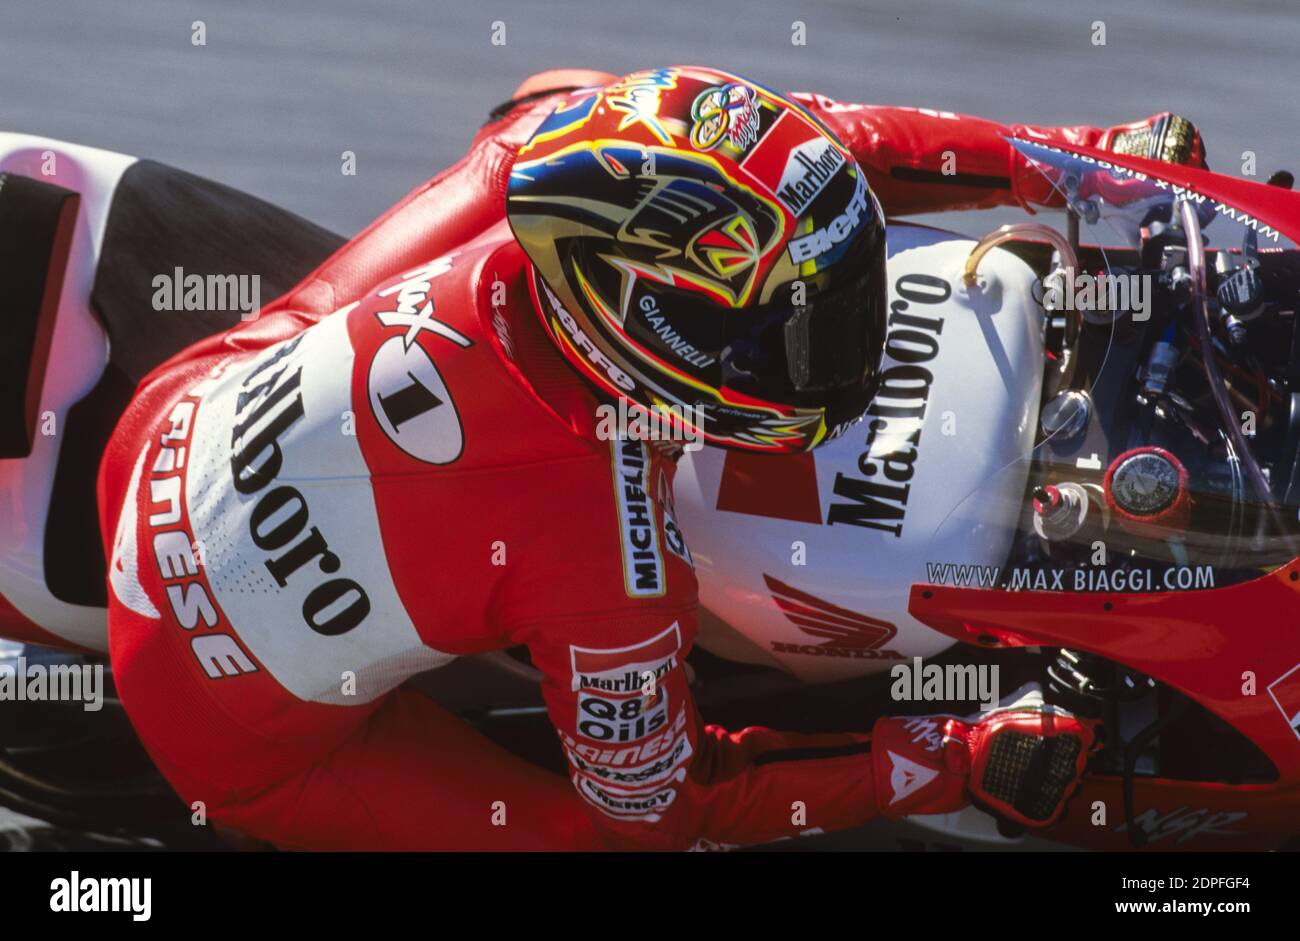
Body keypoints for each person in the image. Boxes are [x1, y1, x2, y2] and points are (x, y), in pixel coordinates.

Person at [99, 66, 1204, 850]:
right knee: (603, 833)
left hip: (172, 415)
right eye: (813, 324)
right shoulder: (601, 556)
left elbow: (824, 145)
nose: (847, 337)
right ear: (665, 330)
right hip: (222, 723)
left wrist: (1069, 161)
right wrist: (953, 752)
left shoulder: (542, 164)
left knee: (562, 89)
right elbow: (667, 803)